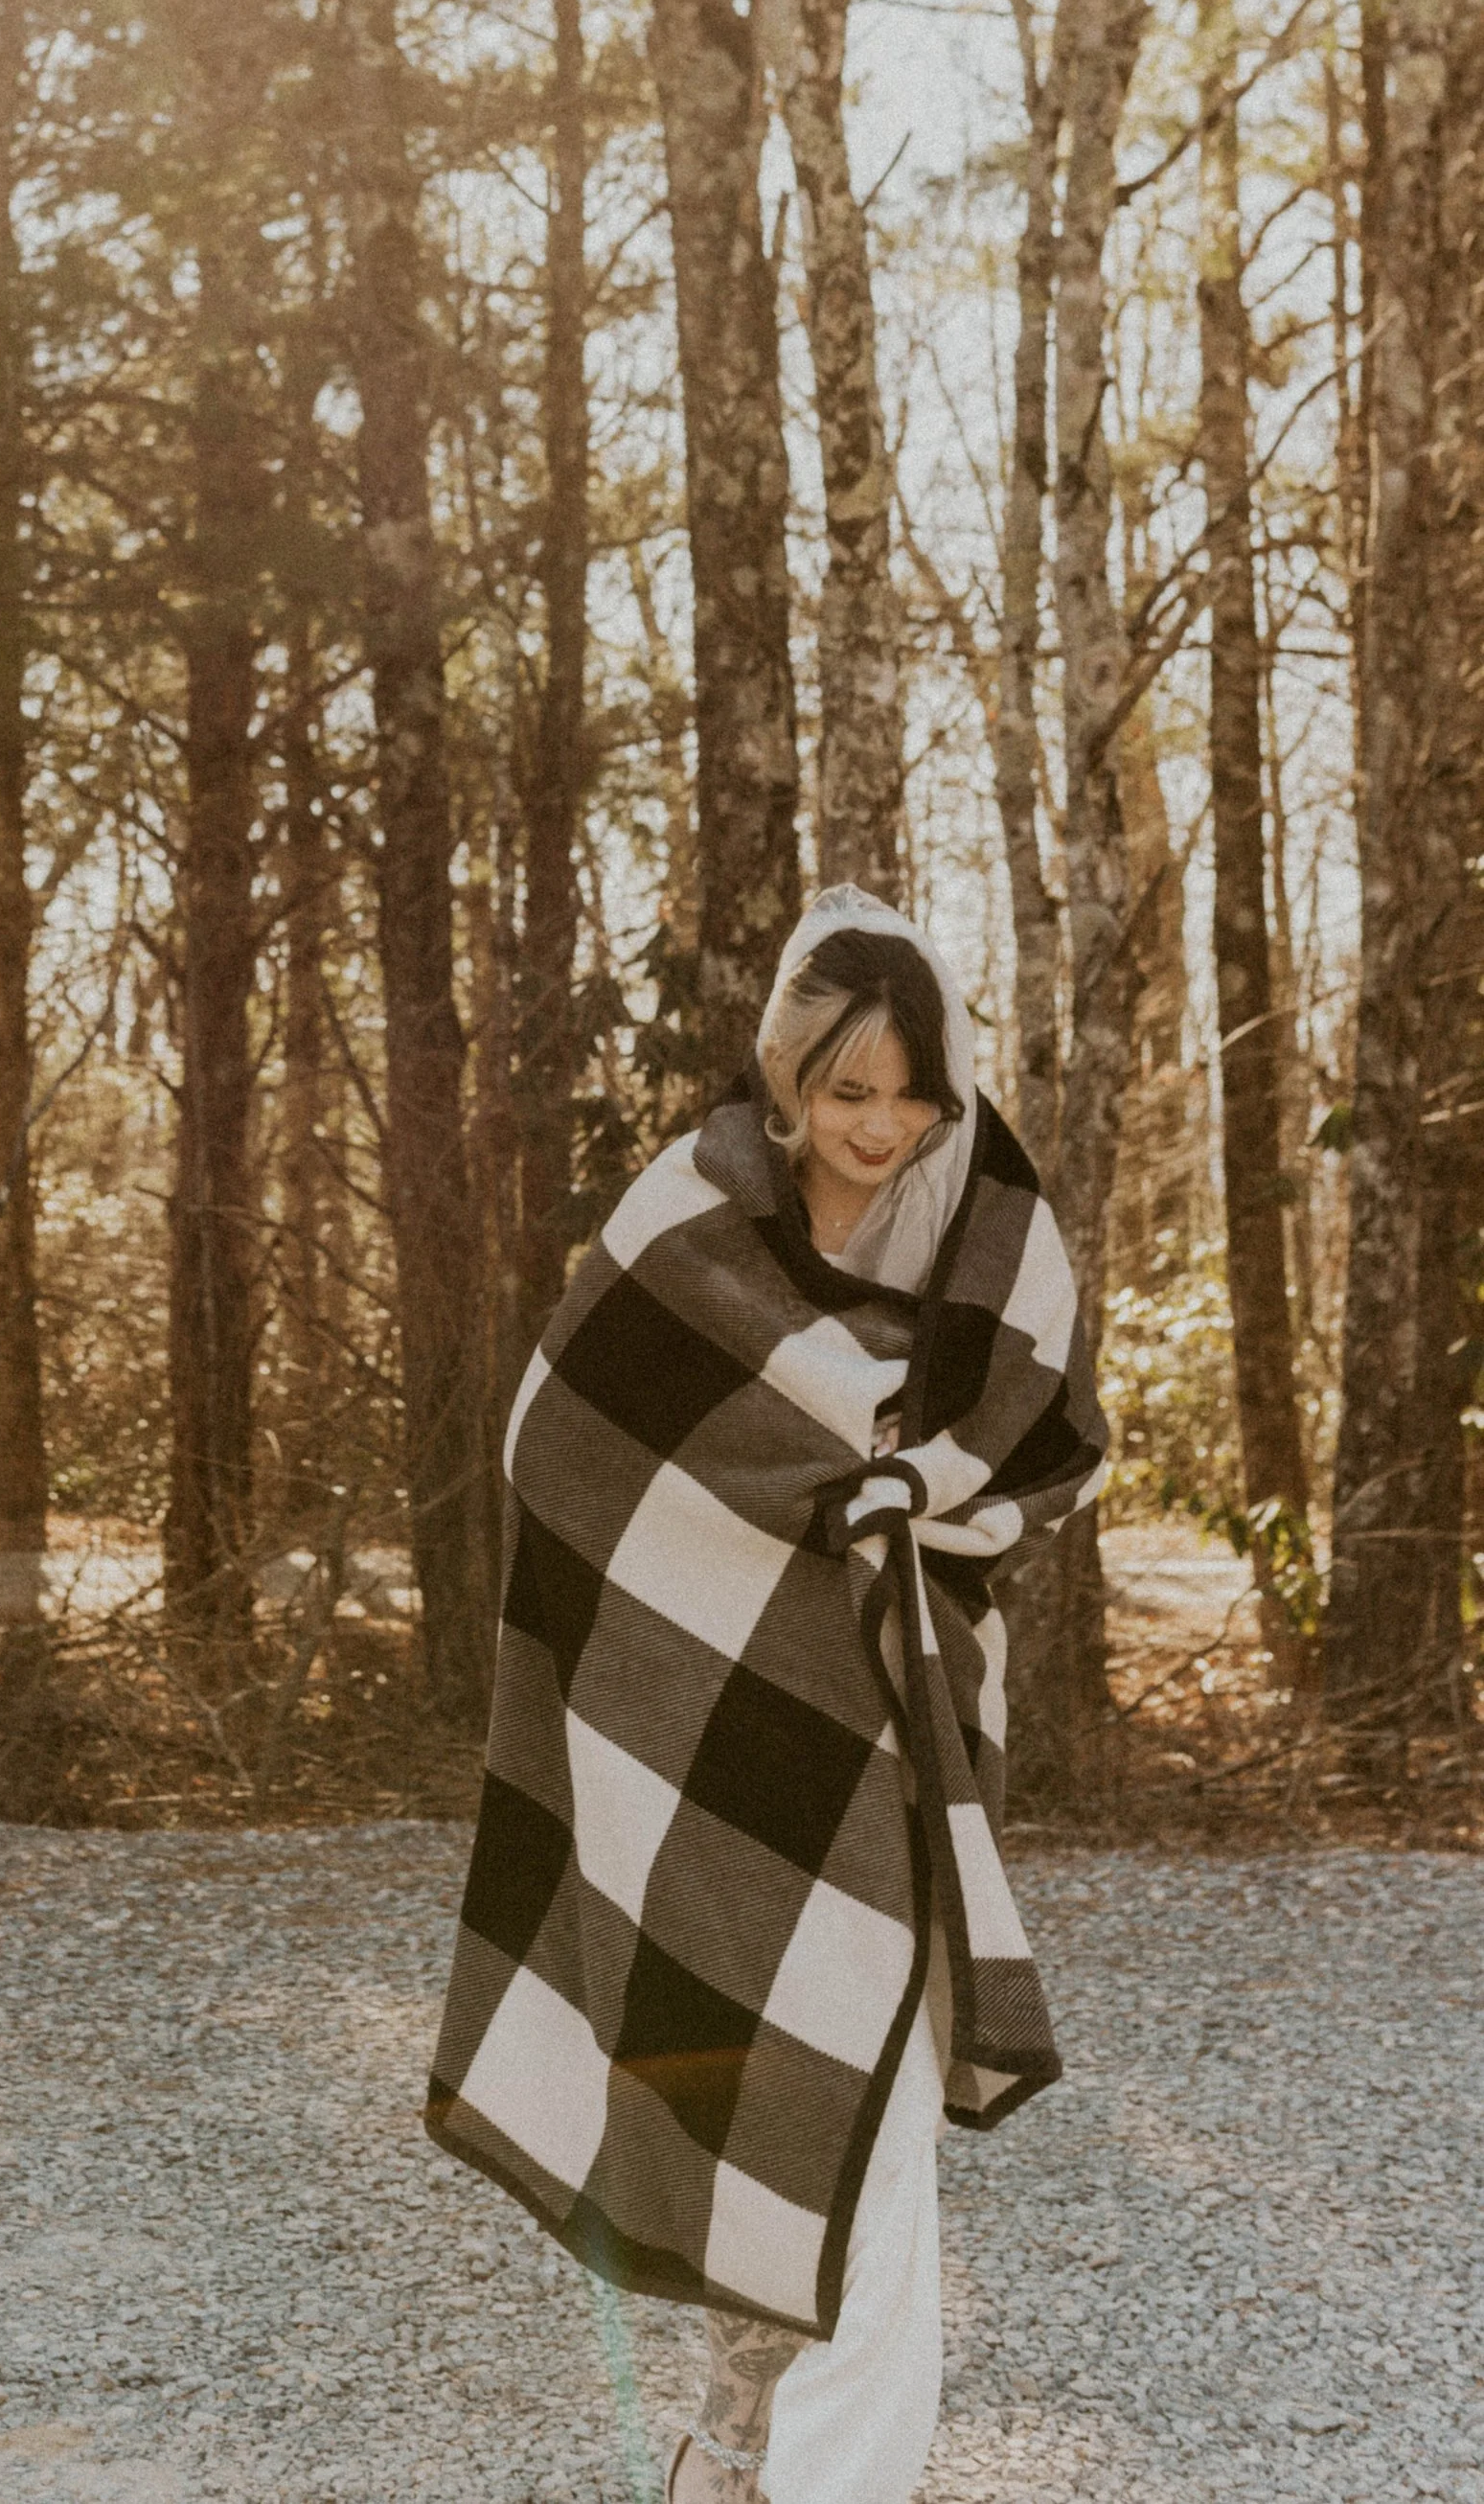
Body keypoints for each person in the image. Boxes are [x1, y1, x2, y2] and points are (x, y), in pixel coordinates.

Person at [425, 887, 1107, 2504]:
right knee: (758, 2082)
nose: (878, 1126)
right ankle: (742, 2440)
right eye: (844, 1088)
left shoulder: (993, 1221)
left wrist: (918, 1494)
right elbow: (561, 1436)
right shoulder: (694, 1216)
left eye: (907, 1089)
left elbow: (1055, 1441)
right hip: (706, 1721)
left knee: (866, 2099)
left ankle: (785, 2465)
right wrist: (781, 1515)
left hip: (898, 1716)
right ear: (789, 1076)